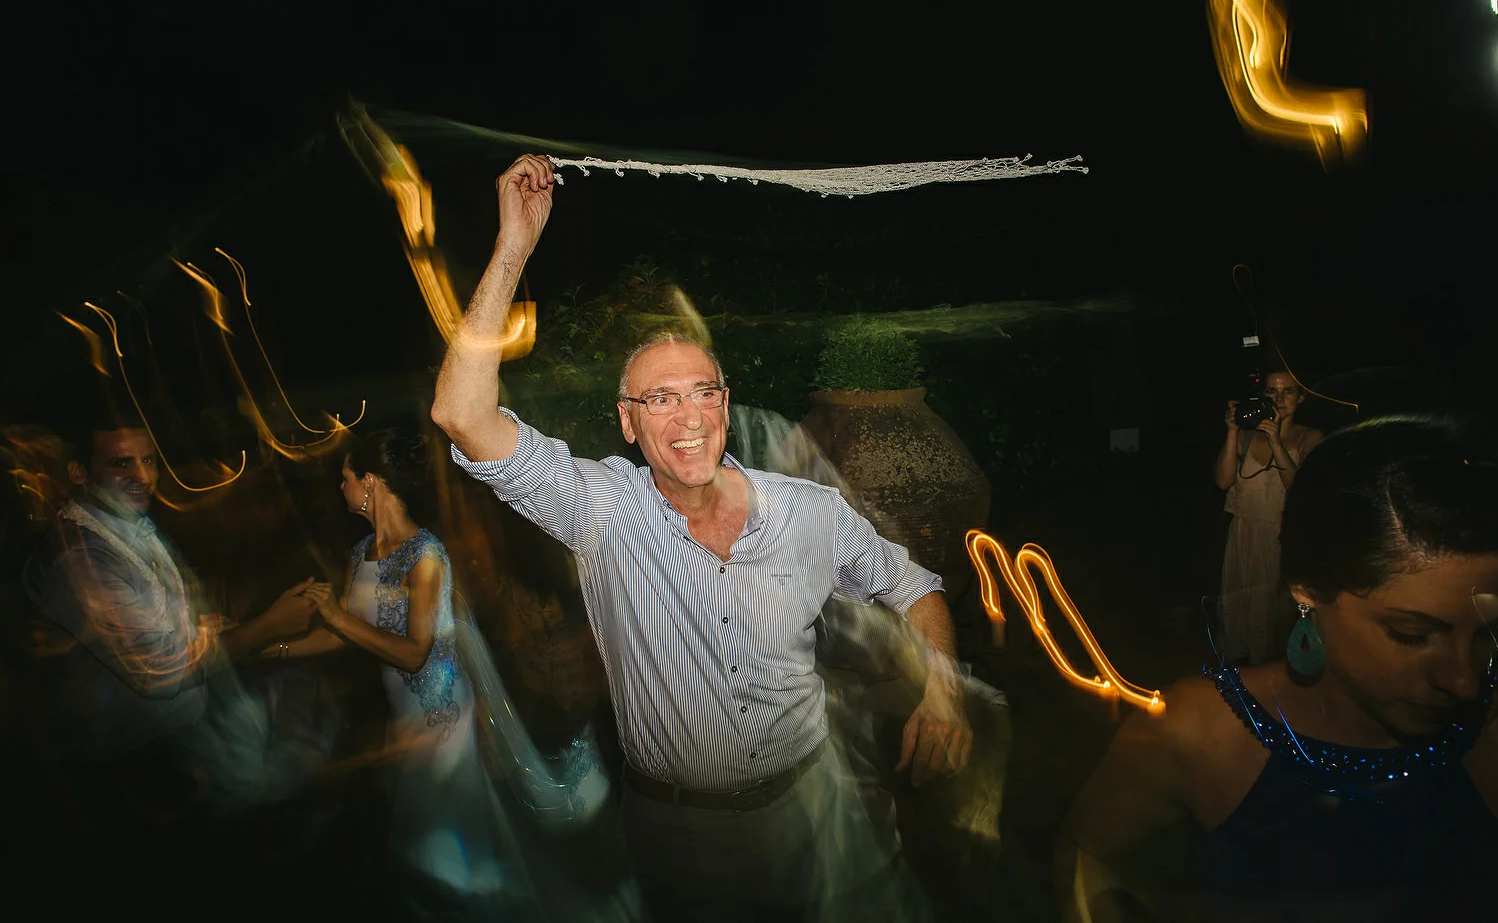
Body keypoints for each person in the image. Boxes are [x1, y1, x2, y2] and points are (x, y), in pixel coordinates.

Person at [430, 154, 972, 922]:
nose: (687, 417)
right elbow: (460, 413)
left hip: (811, 814)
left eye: (702, 393)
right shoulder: (602, 507)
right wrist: (513, 247)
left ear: (725, 402)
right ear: (628, 422)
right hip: (678, 834)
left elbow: (915, 586)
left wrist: (943, 690)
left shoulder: (808, 511)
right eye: (659, 398)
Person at [1062, 417, 1498, 923]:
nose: (1465, 680)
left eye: (1488, 633)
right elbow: (1088, 856)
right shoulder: (1198, 732)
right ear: (1307, 593)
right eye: (1411, 634)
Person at [275, 427, 531, 910]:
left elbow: (415, 651)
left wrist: (335, 617)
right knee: (421, 839)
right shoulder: (360, 554)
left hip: (441, 718)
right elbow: (346, 633)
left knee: (443, 841)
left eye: (346, 478)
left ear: (370, 482)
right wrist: (275, 647)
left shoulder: (425, 555)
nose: (341, 488)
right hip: (402, 717)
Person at [21, 415, 321, 778]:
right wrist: (267, 628)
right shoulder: (82, 558)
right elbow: (158, 674)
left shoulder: (128, 527)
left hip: (172, 742)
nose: (143, 477)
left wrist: (214, 629)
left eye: (148, 460)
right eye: (121, 463)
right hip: (125, 766)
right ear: (78, 472)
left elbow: (169, 629)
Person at [1213, 370, 1324, 664]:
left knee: (1276, 617)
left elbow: (1299, 487)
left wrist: (1276, 440)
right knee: (1239, 612)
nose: (1279, 399)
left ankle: (1275, 676)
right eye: (1271, 392)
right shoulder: (1247, 436)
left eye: (1288, 391)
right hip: (1243, 534)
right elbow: (1223, 481)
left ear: (1301, 398)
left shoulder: (1310, 437)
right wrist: (1232, 431)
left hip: (1282, 538)